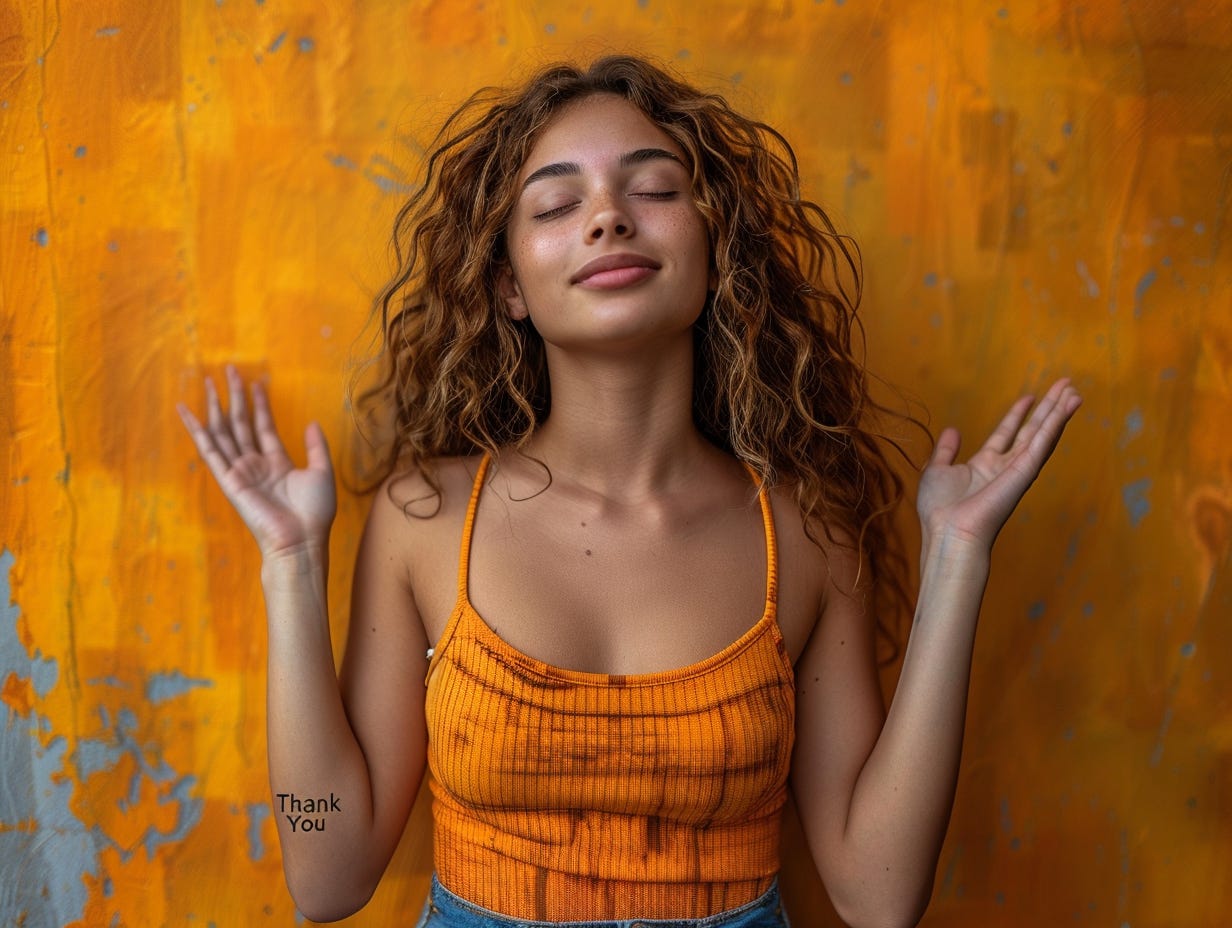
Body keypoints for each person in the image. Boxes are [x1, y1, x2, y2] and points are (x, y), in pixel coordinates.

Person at [177, 55, 1081, 928]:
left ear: (716, 243)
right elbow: (326, 872)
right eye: (558, 204)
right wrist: (291, 563)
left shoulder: (806, 536)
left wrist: (959, 555)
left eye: (653, 189)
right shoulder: (426, 518)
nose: (608, 219)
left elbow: (877, 898)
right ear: (509, 287)